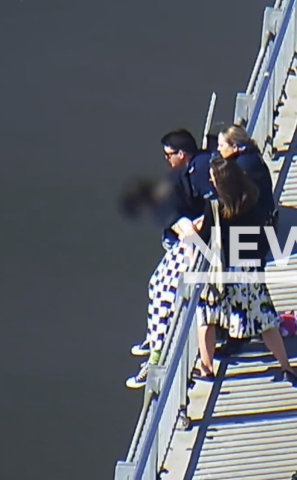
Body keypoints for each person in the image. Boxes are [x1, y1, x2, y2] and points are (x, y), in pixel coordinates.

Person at [123, 128, 214, 389]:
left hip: (198, 246)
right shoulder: (187, 171)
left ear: (182, 154)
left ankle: (156, 357)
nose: (166, 159)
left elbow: (216, 204)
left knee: (165, 295)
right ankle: (153, 338)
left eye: (169, 155)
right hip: (190, 239)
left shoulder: (200, 172)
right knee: (155, 284)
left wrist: (195, 226)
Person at [195, 156, 297, 384]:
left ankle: (207, 368)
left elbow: (205, 238)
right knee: (265, 319)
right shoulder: (252, 198)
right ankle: (286, 367)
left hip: (224, 272)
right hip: (249, 268)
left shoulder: (215, 206)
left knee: (207, 317)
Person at [214, 124, 278, 357]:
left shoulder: (242, 169)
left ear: (236, 146)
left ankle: (239, 334)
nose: (219, 150)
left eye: (222, 145)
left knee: (242, 283)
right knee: (250, 281)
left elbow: (234, 198)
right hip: (261, 230)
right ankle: (252, 325)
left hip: (248, 235)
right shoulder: (252, 160)